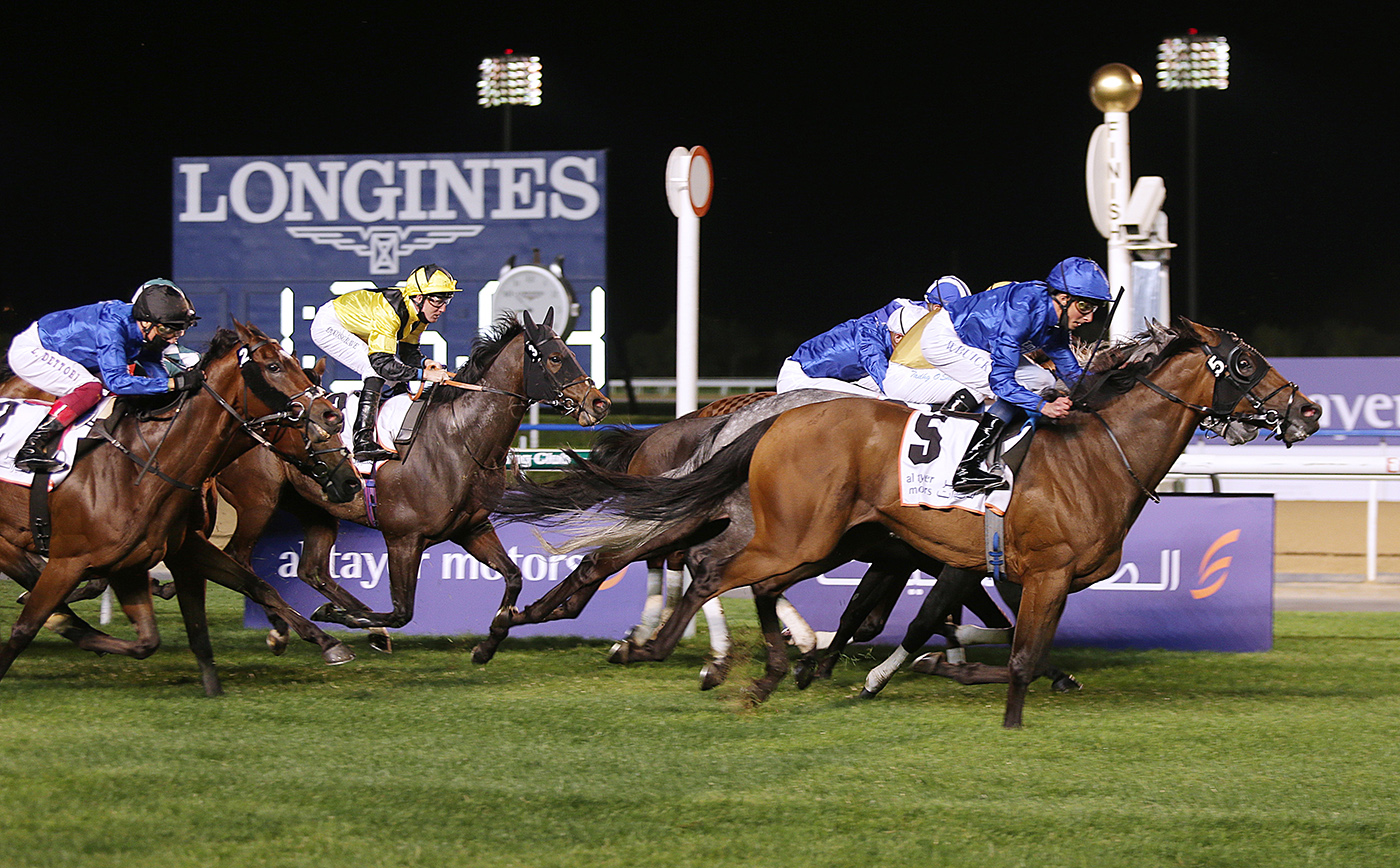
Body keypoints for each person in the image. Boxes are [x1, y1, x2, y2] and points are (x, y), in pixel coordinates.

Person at [908, 256, 1111, 494]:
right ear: (1064, 299)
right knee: (1020, 386)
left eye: (1094, 309)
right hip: (945, 337)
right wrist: (1043, 406)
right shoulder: (1021, 312)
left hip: (977, 340)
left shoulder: (1055, 324)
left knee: (1044, 380)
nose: (1089, 318)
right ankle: (966, 469)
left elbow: (1073, 374)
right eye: (1084, 307)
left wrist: (1111, 387)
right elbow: (1001, 383)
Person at [7, 280, 202, 473]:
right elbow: (117, 382)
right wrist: (173, 383)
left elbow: (153, 364)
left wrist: (172, 390)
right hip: (33, 351)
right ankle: (30, 448)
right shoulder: (112, 327)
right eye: (167, 330)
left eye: (179, 331)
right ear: (146, 322)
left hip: (73, 357)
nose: (174, 338)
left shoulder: (145, 327)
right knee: (90, 389)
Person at [309, 263, 456, 461]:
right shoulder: (390, 313)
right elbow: (382, 365)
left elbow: (408, 352)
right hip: (330, 325)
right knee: (374, 369)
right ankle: (362, 441)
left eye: (447, 300)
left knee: (397, 378)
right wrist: (426, 375)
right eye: (437, 301)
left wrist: (425, 363)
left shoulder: (419, 314)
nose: (443, 309)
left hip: (357, 325)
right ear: (418, 297)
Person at [775, 276, 972, 401]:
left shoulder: (920, 314)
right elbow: (889, 382)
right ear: (936, 307)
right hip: (803, 378)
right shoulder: (874, 331)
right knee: (888, 402)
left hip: (852, 374)